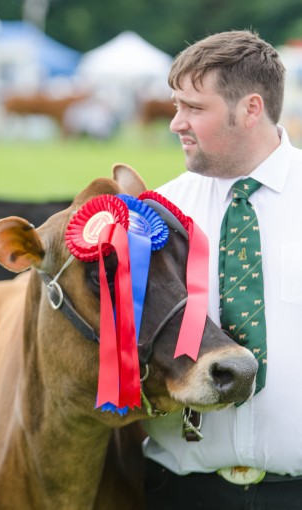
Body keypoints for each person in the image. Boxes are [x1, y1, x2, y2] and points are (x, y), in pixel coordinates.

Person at [143, 30, 302, 510]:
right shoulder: (157, 213)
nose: (176, 123)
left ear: (251, 109)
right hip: (179, 494)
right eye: (176, 105)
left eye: (194, 108)